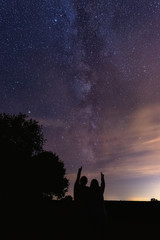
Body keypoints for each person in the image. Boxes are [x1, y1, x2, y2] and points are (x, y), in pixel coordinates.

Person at [88, 172, 107, 239]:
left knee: (94, 231)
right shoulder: (99, 190)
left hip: (92, 213)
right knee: (101, 231)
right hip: (101, 213)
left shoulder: (89, 191)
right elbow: (103, 185)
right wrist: (102, 177)